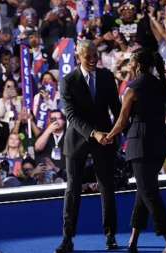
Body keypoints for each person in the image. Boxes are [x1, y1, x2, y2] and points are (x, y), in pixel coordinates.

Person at [105, 49, 166, 253]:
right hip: (159, 144)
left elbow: (121, 121)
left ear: (137, 65)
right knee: (144, 190)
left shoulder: (134, 88)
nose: (128, 65)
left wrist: (108, 137)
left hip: (141, 144)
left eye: (130, 62)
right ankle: (133, 240)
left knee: (148, 192)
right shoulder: (159, 84)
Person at [56, 39, 121, 253]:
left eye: (95, 55)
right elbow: (71, 116)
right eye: (88, 56)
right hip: (78, 140)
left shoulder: (106, 77)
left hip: (105, 140)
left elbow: (116, 108)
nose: (93, 60)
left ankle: (110, 234)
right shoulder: (68, 80)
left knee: (107, 187)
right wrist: (94, 134)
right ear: (78, 57)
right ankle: (67, 237)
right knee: (73, 190)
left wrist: (116, 133)